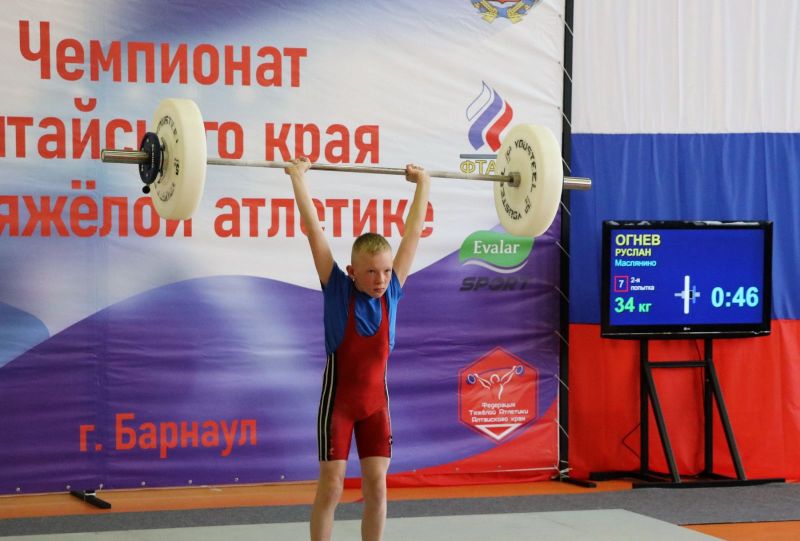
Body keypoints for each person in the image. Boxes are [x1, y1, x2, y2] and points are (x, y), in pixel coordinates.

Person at [284, 156, 431, 541]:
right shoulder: (337, 290)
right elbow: (313, 232)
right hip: (339, 406)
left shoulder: (392, 292)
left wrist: (423, 184)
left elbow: (413, 233)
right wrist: (297, 178)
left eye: (386, 270)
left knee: (377, 487)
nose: (381, 279)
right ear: (352, 272)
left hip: (375, 407)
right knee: (332, 486)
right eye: (371, 272)